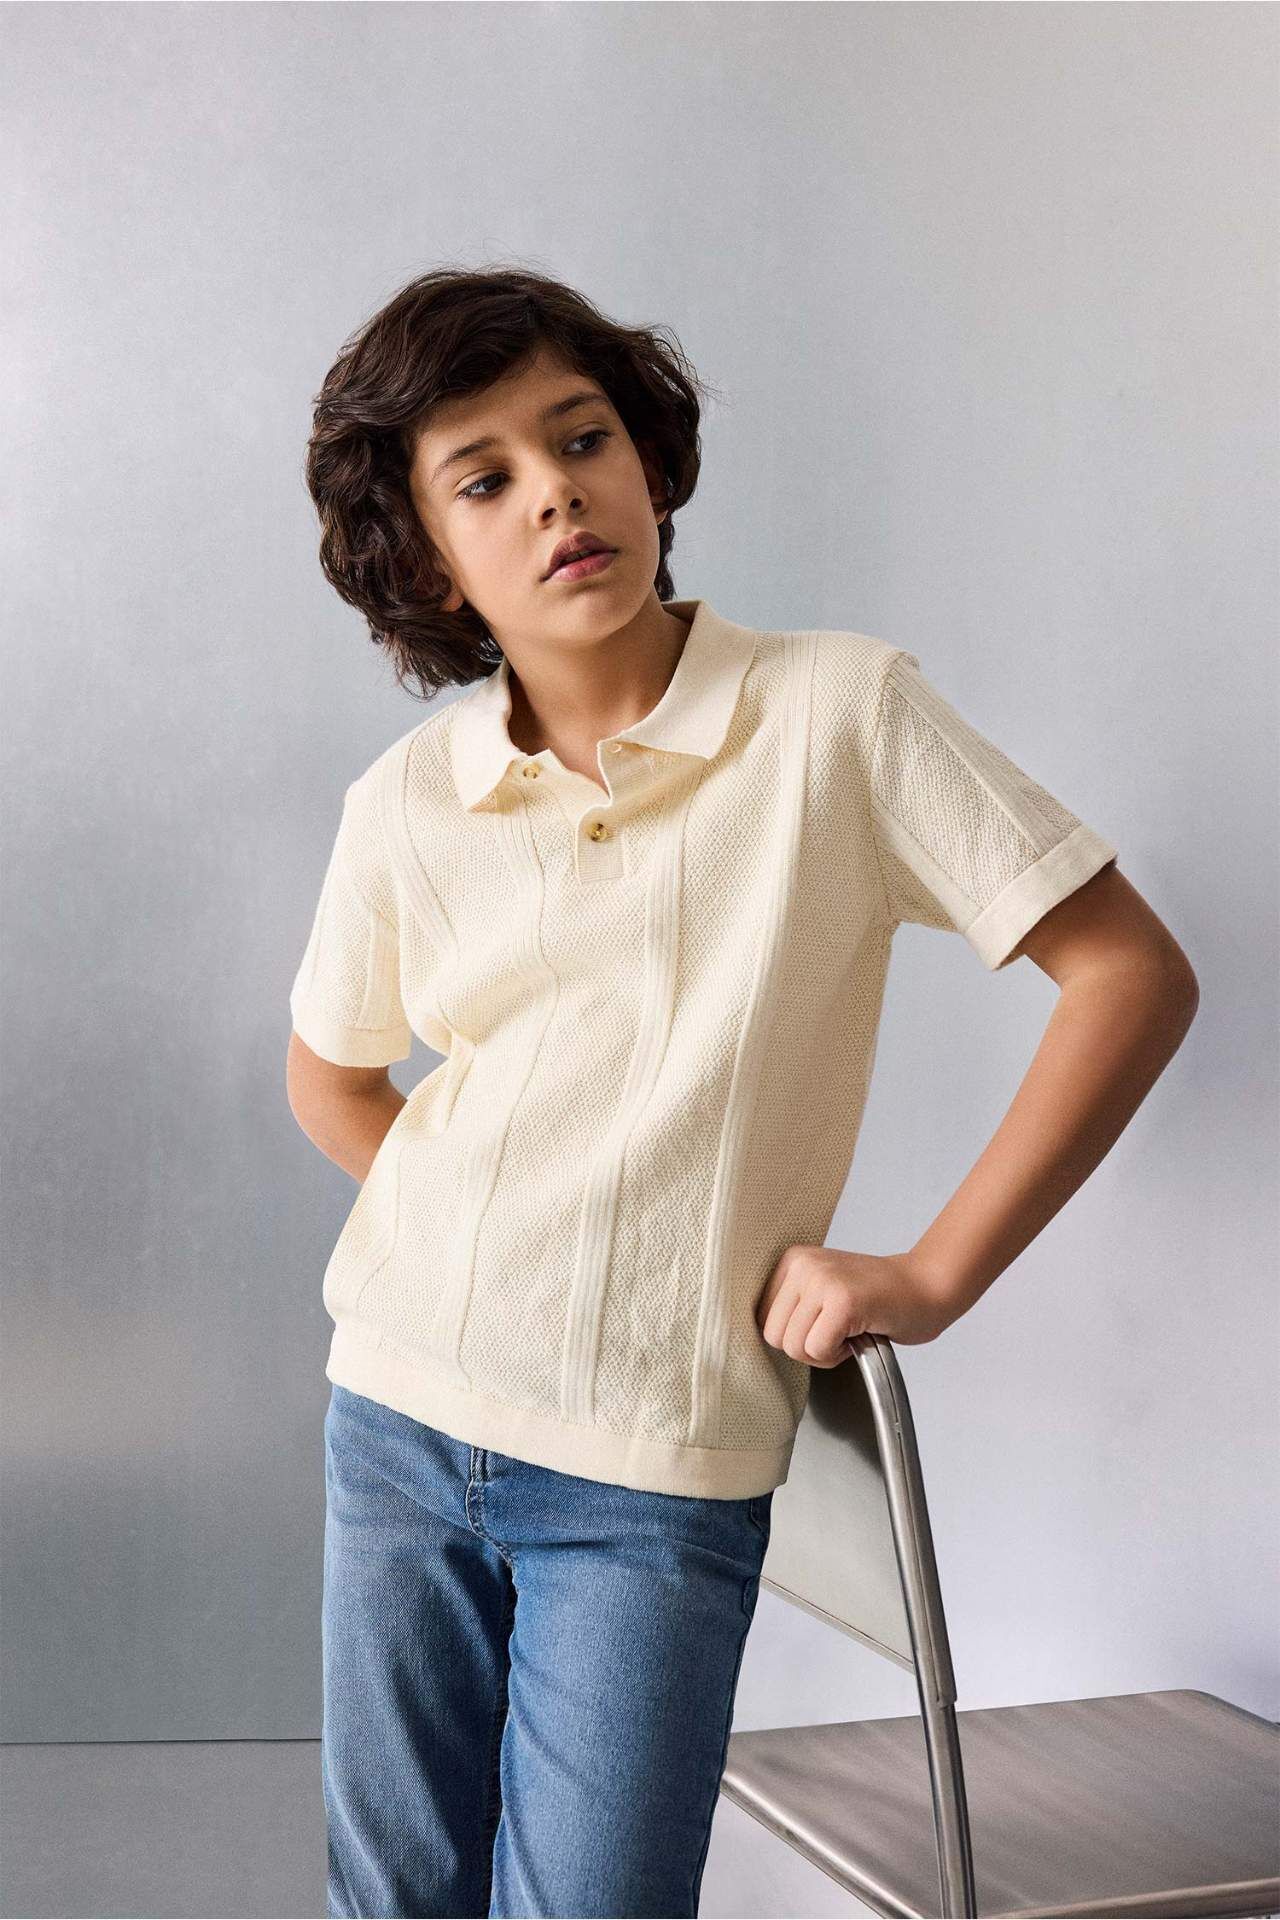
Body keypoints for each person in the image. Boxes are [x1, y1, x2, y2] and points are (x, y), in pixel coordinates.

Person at [286, 266, 1199, 1920]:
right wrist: (499, 1236)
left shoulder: (836, 716)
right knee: (392, 1901)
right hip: (397, 1420)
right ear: (424, 560)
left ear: (649, 464)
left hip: (654, 1469)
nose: (557, 491)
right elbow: (332, 1076)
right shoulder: (408, 800)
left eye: (584, 439)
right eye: (486, 478)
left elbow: (1130, 974)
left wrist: (935, 1272)